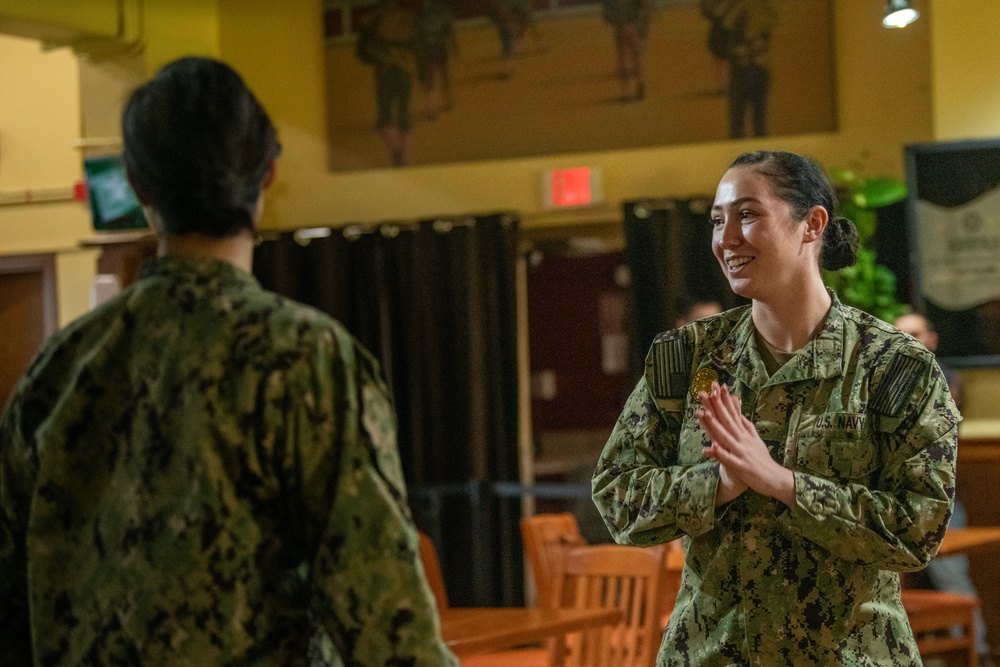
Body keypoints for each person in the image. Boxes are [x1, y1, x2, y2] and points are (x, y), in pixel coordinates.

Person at [0, 57, 457, 666]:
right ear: (269, 174)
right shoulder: (305, 362)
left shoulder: (57, 374)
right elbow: (387, 627)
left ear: (138, 187)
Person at [593, 150, 960, 664]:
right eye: (718, 221)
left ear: (811, 224)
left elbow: (916, 529)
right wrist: (717, 484)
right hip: (712, 654)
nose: (726, 239)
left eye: (747, 214)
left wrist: (782, 483)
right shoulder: (686, 357)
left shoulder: (893, 367)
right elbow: (617, 494)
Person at [895, 312, 993, 665]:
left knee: (953, 580)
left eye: (914, 334)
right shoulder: (890, 380)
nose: (907, 340)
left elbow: (925, 424)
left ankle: (977, 655)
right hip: (898, 501)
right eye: (899, 334)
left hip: (942, 501)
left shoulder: (947, 379)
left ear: (932, 339)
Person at [364, 0, 420, 165]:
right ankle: (405, 156)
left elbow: (364, 51)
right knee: (404, 115)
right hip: (405, 72)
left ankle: (395, 151)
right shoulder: (409, 19)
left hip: (385, 73)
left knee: (384, 119)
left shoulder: (374, 19)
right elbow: (417, 46)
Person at [726, 0, 778, 138]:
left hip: (749, 68)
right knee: (754, 123)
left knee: (745, 123)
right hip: (753, 68)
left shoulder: (735, 9)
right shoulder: (764, 9)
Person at [601, 0, 653, 102]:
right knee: (636, 57)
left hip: (623, 29)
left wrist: (623, 25)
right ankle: (639, 84)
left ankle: (627, 91)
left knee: (624, 60)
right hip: (634, 28)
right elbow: (644, 9)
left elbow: (607, 14)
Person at [416, 0, 458, 120]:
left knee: (429, 79)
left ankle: (431, 109)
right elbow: (450, 31)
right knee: (444, 74)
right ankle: (448, 100)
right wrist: (454, 47)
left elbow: (417, 35)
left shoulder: (422, 15)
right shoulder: (443, 13)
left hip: (426, 51)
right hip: (440, 48)